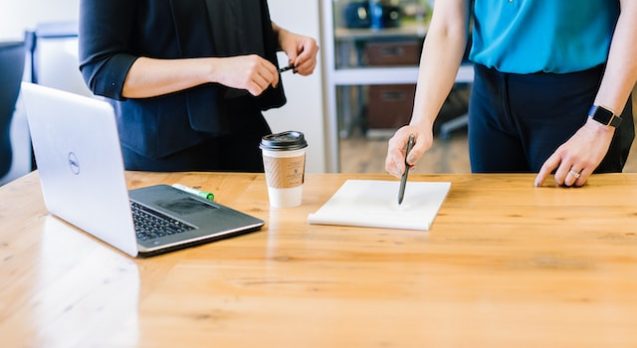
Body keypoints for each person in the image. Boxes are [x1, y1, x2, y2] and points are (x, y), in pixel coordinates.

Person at [385, 0, 637, 187]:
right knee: (496, 236)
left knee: (573, 246)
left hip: (580, 100)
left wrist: (600, 126)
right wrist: (421, 119)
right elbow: (448, 25)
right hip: (491, 99)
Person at [79, 0, 318, 172]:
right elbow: (101, 68)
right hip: (168, 150)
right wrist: (216, 69)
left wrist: (281, 37)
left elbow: (219, 15)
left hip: (244, 132)